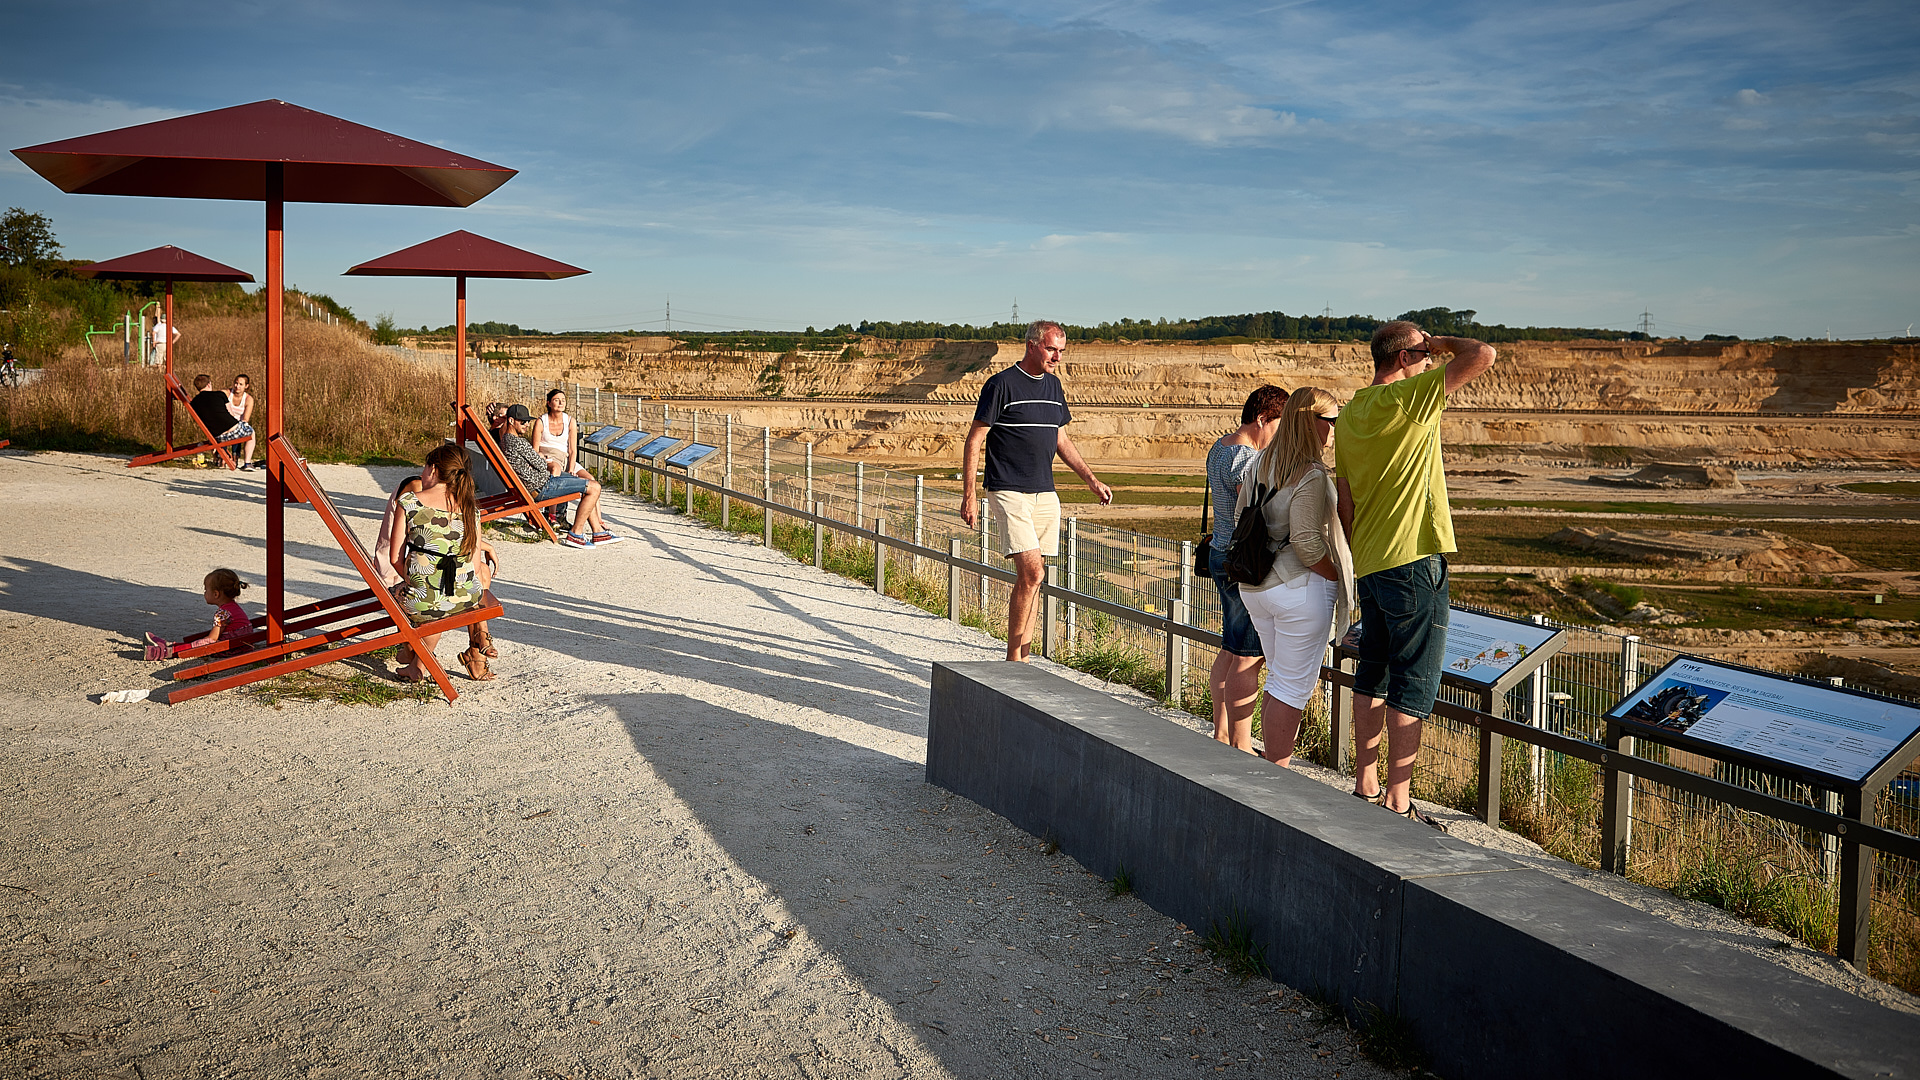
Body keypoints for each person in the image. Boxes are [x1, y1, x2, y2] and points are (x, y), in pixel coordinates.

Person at [1334, 321, 1497, 827]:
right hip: (1415, 558)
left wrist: (1361, 550)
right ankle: (1399, 800)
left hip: (1373, 561)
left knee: (1374, 669)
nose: (1432, 362)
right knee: (1414, 680)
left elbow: (1345, 499)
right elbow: (1483, 354)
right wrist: (1441, 344)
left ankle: (1365, 781)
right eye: (1424, 355)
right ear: (1405, 360)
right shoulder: (1408, 399)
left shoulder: (1352, 411)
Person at [961, 320, 1113, 662]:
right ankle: (1014, 661)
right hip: (1008, 489)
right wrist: (969, 495)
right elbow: (974, 440)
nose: (1057, 356)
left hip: (1045, 493)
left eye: (1061, 350)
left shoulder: (1054, 388)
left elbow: (1061, 439)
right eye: (1051, 349)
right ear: (1032, 345)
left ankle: (1022, 657)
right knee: (1032, 573)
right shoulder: (1001, 384)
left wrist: (1091, 480)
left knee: (1036, 579)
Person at [1236, 388, 1356, 769]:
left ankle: (1268, 773)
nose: (1333, 430)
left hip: (1257, 587)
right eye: (1330, 421)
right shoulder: (1311, 472)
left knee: (1278, 680)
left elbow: (1242, 513)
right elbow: (1307, 542)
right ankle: (1278, 782)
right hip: (1298, 590)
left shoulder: (1259, 463)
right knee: (1290, 688)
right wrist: (1339, 577)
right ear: (1312, 422)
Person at [1205, 384, 1290, 751]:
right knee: (1248, 654)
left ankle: (1221, 731)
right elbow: (1252, 507)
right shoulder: (1245, 459)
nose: (1279, 437)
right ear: (1261, 419)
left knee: (1231, 646)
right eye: (1278, 427)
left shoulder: (1219, 446)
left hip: (1220, 553)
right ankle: (1240, 743)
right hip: (1243, 561)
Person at [376, 471, 499, 674]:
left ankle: (475, 644)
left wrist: (483, 545)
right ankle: (474, 645)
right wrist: (484, 546)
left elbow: (439, 538)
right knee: (452, 583)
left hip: (425, 577)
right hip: (400, 573)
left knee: (456, 580)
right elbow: (429, 537)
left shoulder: (443, 498)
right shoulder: (416, 490)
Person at [499, 403, 623, 549]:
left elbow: (537, 462)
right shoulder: (517, 442)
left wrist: (540, 457)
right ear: (511, 421)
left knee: (589, 483)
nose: (527, 424)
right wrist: (541, 458)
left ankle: (598, 532)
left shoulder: (508, 441)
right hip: (542, 487)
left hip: (540, 483)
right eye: (523, 421)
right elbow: (540, 464)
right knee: (594, 487)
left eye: (528, 421)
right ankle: (576, 534)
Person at [143, 568, 254, 660]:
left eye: (206, 590)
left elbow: (212, 639)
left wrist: (197, 644)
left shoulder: (223, 613)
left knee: (202, 643)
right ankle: (169, 645)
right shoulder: (234, 608)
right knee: (200, 642)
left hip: (230, 650)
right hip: (243, 646)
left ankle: (166, 651)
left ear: (216, 594)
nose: (204, 593)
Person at [187, 374, 253, 459]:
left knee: (233, 428)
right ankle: (247, 462)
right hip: (230, 431)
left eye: (241, 384)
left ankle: (221, 459)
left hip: (216, 436)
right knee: (251, 432)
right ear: (208, 385)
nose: (237, 386)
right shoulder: (220, 395)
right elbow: (231, 414)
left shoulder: (194, 403)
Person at [534, 389, 591, 479]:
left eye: (563, 400)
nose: (561, 403)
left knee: (591, 480)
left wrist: (571, 470)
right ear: (549, 403)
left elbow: (572, 450)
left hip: (565, 459)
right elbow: (535, 449)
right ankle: (552, 491)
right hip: (549, 457)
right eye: (556, 400)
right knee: (555, 469)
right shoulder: (541, 422)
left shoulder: (570, 421)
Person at [226, 374, 257, 470]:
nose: (237, 386)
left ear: (246, 386)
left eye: (240, 384)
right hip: (225, 422)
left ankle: (247, 462)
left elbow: (245, 419)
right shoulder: (227, 393)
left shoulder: (248, 399)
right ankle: (223, 456)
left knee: (250, 432)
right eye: (236, 383)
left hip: (238, 424)